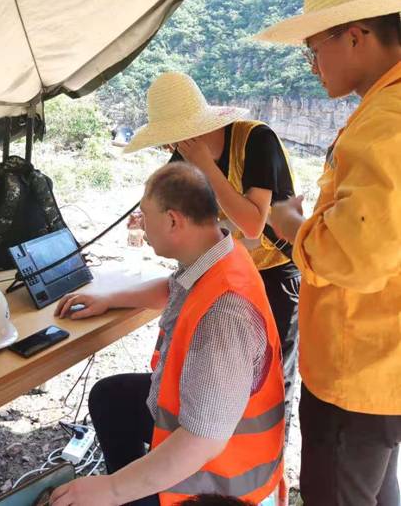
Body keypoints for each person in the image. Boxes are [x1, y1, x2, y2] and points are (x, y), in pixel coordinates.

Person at [50, 162, 285, 506]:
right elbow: (175, 288)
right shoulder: (220, 251)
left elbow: (201, 442)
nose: (141, 224)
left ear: (174, 220)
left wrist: (111, 489)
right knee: (111, 398)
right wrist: (109, 299)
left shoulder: (223, 316)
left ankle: (138, 495)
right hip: (210, 428)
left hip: (223, 482)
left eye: (145, 215)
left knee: (116, 489)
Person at [256, 0, 401, 506]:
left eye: (313, 48)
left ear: (356, 37)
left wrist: (290, 223)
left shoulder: (385, 120)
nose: (312, 64)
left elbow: (356, 255)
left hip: (355, 367)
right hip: (384, 359)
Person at [123, 71, 300, 440]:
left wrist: (204, 165)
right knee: (214, 374)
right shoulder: (182, 157)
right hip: (222, 272)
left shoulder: (255, 140)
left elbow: (253, 223)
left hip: (273, 271)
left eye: (172, 138)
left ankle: (267, 466)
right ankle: (210, 450)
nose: (170, 148)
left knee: (269, 377)